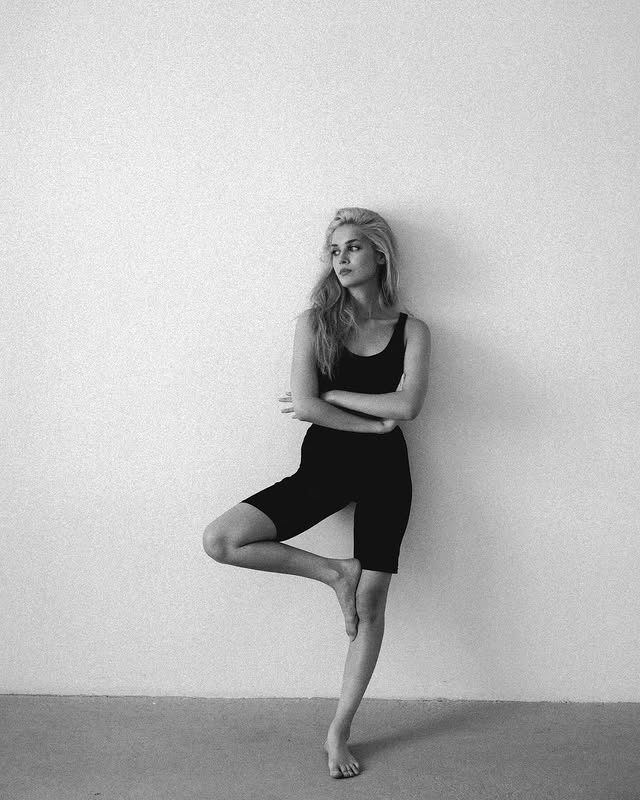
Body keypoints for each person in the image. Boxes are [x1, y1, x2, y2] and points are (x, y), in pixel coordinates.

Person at [203, 207, 431, 779]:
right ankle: (333, 572)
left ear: (379, 254)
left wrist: (338, 395)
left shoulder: (413, 330)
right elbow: (305, 407)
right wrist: (368, 423)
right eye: (334, 250)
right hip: (324, 469)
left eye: (353, 247)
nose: (341, 258)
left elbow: (407, 406)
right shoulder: (315, 322)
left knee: (371, 605)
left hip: (386, 473)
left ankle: (339, 730)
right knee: (222, 540)